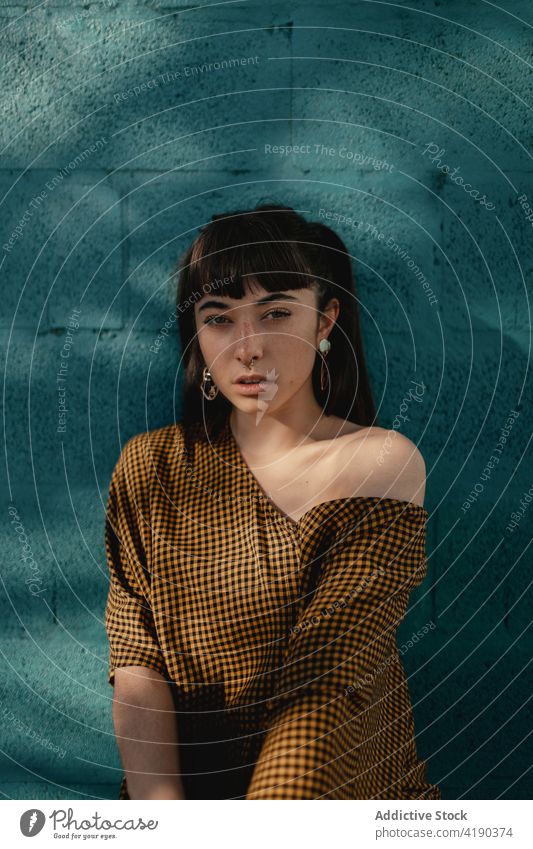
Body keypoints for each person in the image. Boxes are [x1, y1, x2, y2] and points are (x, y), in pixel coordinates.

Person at [104, 202, 440, 799]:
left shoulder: (378, 462)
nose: (248, 347)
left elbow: (327, 670)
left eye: (277, 312)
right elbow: (137, 665)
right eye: (219, 318)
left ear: (325, 321)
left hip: (334, 780)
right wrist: (163, 817)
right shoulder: (151, 466)